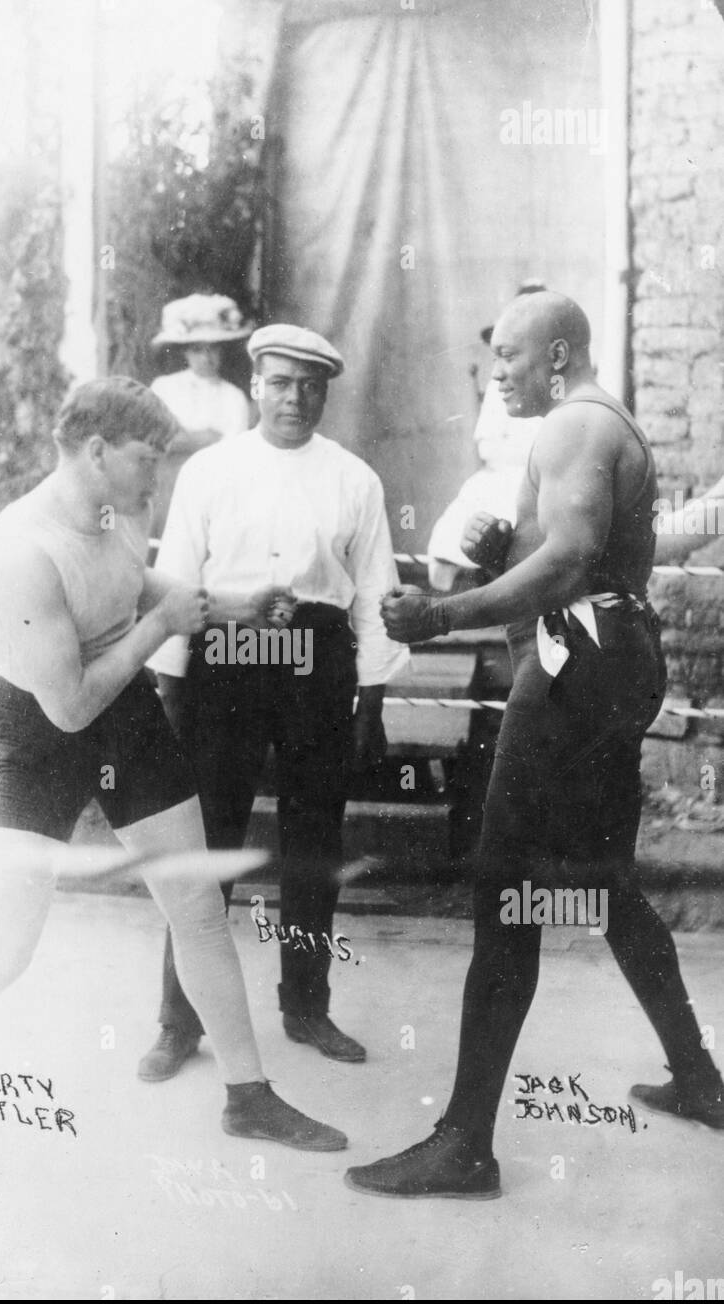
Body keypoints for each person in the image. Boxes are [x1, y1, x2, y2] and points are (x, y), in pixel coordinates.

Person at [0, 377, 346, 1176]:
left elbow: (130, 582)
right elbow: (72, 705)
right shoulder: (20, 551)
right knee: (6, 945)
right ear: (96, 451)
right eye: (148, 458)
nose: (159, 475)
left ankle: (248, 1095)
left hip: (124, 702)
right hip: (47, 723)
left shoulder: (122, 506)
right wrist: (159, 627)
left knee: (197, 905)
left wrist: (233, 605)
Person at [346, 291, 724, 1201]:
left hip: (578, 667)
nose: (497, 372)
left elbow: (567, 561)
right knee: (603, 880)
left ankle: (465, 1143)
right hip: (608, 661)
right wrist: (493, 557)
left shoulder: (573, 427)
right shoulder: (591, 425)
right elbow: (567, 555)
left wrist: (440, 612)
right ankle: (702, 1079)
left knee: (504, 885)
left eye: (512, 355)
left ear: (558, 354)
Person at [137, 324, 409, 1082]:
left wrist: (371, 702)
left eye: (310, 386)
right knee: (208, 843)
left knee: (313, 843)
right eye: (281, 383)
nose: (295, 398)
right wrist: (171, 688)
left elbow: (375, 597)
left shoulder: (355, 479)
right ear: (255, 383)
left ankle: (306, 1005)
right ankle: (177, 1019)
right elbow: (180, 585)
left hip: (316, 664)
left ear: (326, 392)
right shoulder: (211, 471)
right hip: (229, 659)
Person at [428, 282, 545, 592]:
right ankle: (488, 579)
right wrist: (531, 455)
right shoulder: (499, 384)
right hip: (509, 472)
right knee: (483, 508)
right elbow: (488, 445)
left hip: (551, 476)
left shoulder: (558, 384)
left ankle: (522, 584)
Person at [148, 294, 252, 537]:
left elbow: (232, 457)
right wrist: (207, 437)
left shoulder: (233, 398)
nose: (206, 358)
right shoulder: (163, 387)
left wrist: (182, 438)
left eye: (213, 349)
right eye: (197, 350)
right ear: (185, 352)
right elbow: (154, 441)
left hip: (212, 494)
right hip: (165, 494)